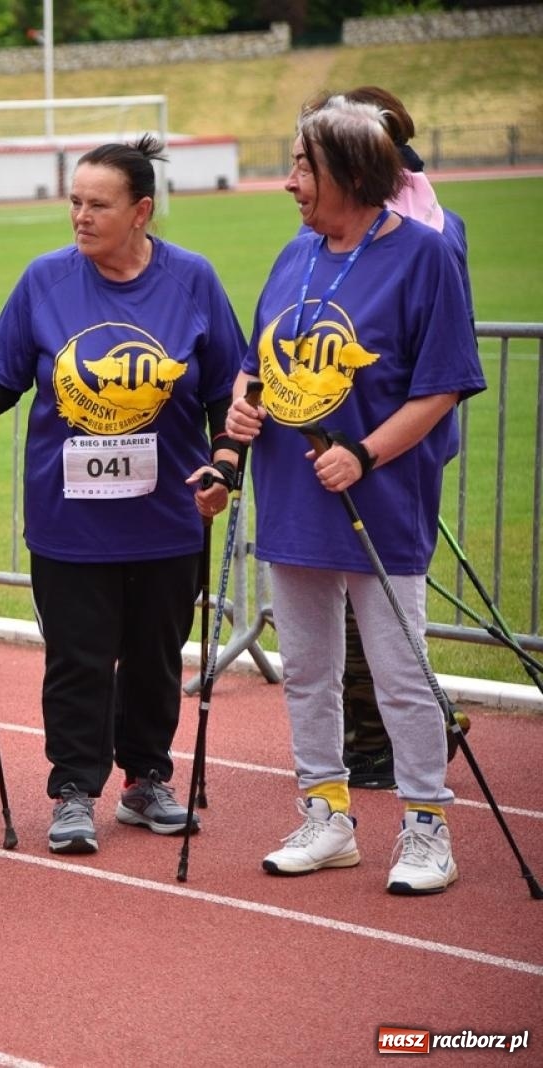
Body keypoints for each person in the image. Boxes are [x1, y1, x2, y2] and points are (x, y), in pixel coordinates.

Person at [0, 136, 244, 855]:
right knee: (79, 657)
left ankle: (146, 779)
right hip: (70, 519)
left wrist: (225, 468)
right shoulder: (45, 280)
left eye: (99, 204)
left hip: (168, 516)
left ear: (142, 212)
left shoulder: (193, 280)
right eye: (75, 202)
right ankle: (73, 790)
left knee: (158, 656)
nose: (81, 216)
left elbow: (229, 393)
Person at [225, 94, 484, 895]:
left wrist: (364, 455)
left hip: (379, 495)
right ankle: (326, 814)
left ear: (349, 171)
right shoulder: (292, 255)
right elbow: (260, 357)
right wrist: (242, 404)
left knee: (401, 670)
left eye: (303, 165)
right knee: (307, 667)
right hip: (292, 492)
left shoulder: (424, 255)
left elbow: (442, 386)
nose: (290, 183)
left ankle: (425, 826)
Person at [330, 86, 474, 792]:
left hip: (397, 442)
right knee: (362, 597)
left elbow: (440, 355)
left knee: (380, 597)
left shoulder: (430, 232)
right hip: (346, 440)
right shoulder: (335, 233)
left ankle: (389, 740)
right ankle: (385, 734)